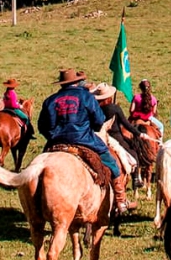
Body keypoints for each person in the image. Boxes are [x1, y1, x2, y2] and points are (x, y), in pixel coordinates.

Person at [38, 69, 135, 214]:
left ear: (62, 84)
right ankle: (121, 200)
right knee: (112, 163)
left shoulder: (50, 100)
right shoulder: (86, 96)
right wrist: (91, 128)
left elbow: (42, 126)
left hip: (56, 142)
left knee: (38, 167)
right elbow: (98, 120)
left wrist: (53, 136)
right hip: (84, 140)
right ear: (77, 82)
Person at [93, 82, 150, 188]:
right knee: (133, 153)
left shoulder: (95, 108)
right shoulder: (115, 108)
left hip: (98, 137)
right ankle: (136, 178)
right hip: (115, 136)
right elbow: (127, 124)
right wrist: (139, 134)